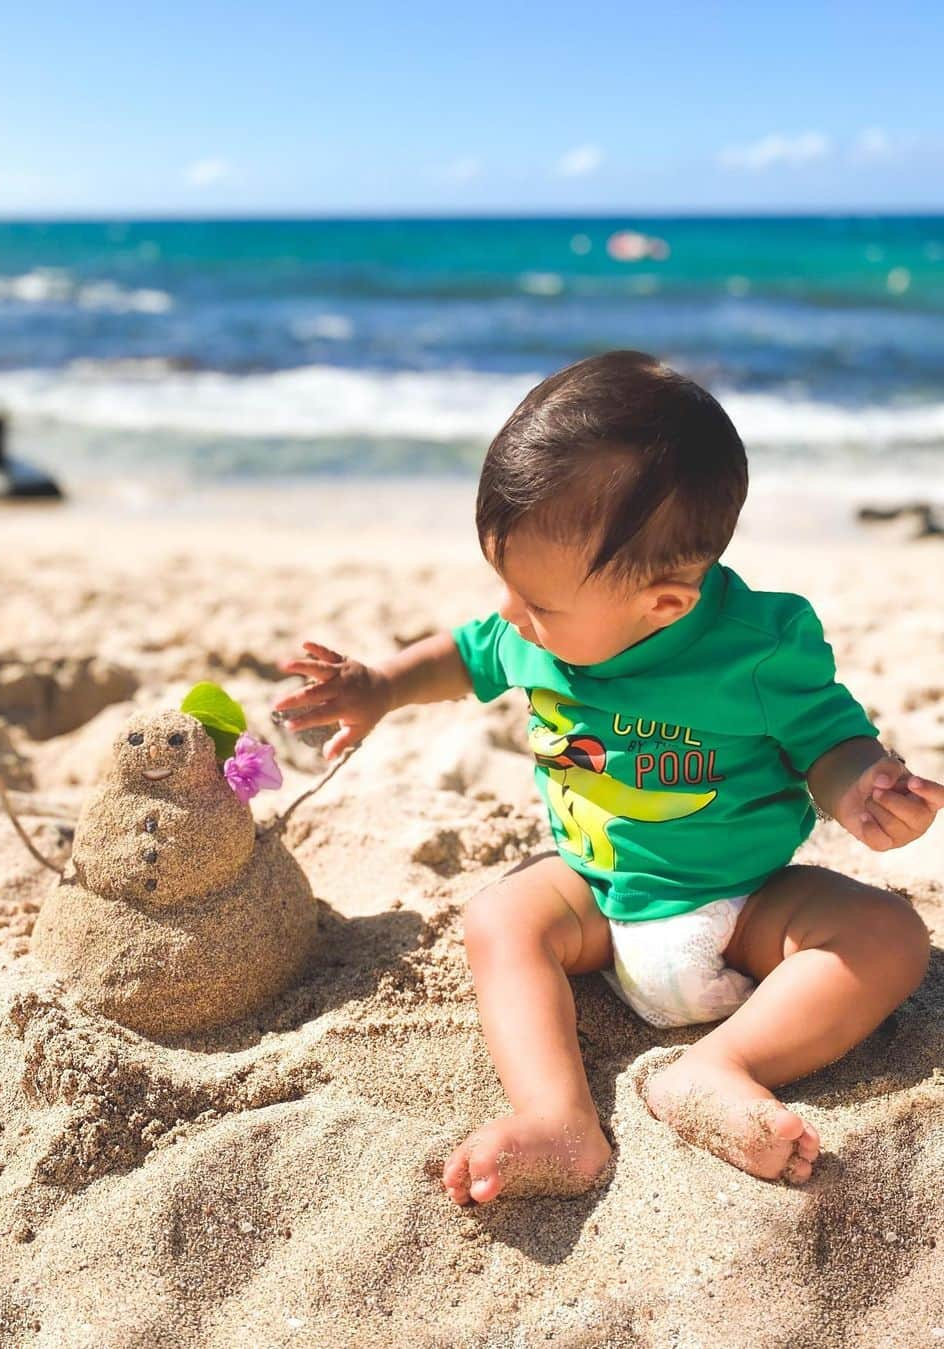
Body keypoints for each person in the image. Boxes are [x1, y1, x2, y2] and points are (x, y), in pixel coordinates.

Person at [271, 350, 939, 1204]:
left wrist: (861, 789)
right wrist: (382, 686)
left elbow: (829, 741)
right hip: (597, 897)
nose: (512, 616)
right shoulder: (537, 623)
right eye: (506, 589)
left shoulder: (762, 647)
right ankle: (557, 1118)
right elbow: (465, 654)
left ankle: (719, 1066)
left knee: (889, 934)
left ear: (663, 603)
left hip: (748, 906)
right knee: (500, 917)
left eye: (535, 604)